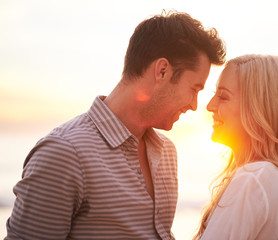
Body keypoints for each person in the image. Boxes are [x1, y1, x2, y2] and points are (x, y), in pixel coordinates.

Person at [5, 11, 226, 240]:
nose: (194, 105)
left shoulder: (166, 151)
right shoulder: (64, 153)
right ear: (162, 71)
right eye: (194, 89)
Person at [194, 55, 278, 240]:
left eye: (223, 96)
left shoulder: (253, 178)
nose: (209, 105)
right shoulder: (273, 176)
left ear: (258, 109)